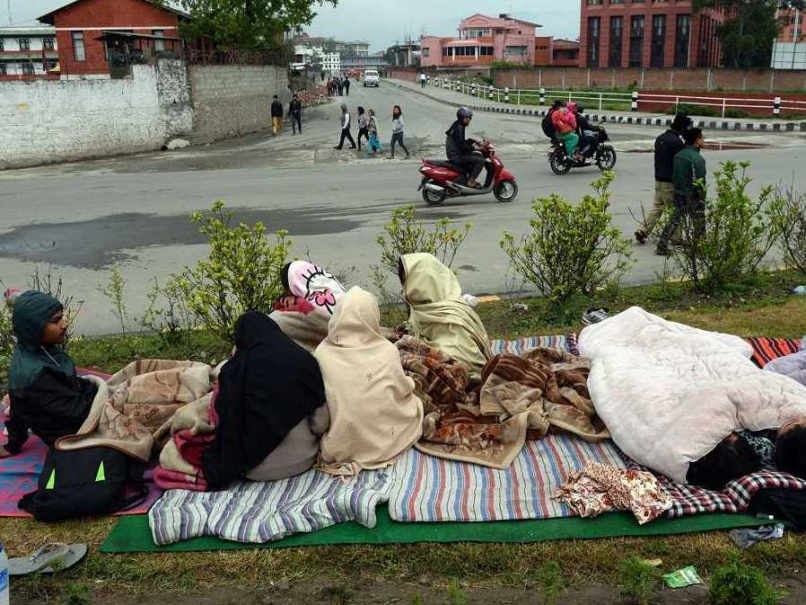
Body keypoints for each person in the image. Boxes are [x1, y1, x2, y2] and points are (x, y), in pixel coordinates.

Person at [201, 311, 328, 489]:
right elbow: (320, 424)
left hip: (253, 470)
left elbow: (226, 421)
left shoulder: (233, 372)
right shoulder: (304, 361)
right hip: (303, 460)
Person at [316, 287, 423, 472]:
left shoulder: (321, 354)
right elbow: (402, 389)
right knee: (413, 402)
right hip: (389, 437)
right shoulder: (386, 350)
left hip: (341, 446)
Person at [0, 291, 96, 457]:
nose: (64, 324)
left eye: (62, 317)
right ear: (33, 326)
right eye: (55, 321)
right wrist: (99, 393)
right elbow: (78, 412)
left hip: (77, 410)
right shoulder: (36, 376)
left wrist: (13, 443)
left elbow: (19, 404)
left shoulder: (39, 349)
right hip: (76, 434)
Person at [399, 253, 492, 373]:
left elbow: (464, 366)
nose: (404, 288)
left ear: (419, 283)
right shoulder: (422, 306)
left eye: (406, 281)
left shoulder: (451, 320)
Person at [635, 113, 692, 245]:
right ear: (682, 128)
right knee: (675, 210)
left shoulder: (661, 138)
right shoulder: (677, 142)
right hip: (669, 182)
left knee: (658, 206)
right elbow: (680, 163)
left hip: (658, 179)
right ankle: (676, 238)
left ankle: (643, 230)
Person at [656, 127, 707, 256]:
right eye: (702, 138)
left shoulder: (679, 156)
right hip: (693, 195)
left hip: (679, 193)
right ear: (697, 140)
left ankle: (662, 244)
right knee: (699, 221)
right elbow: (699, 181)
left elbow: (675, 175)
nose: (704, 140)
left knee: (675, 219)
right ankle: (699, 246)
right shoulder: (697, 159)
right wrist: (700, 197)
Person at [445, 107, 485, 188]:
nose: (469, 119)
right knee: (480, 160)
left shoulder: (459, 124)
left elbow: (461, 142)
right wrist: (475, 148)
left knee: (477, 156)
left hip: (456, 153)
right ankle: (470, 181)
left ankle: (466, 178)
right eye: (467, 117)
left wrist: (473, 141)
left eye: (470, 117)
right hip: (456, 156)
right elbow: (461, 145)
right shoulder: (458, 127)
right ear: (461, 118)